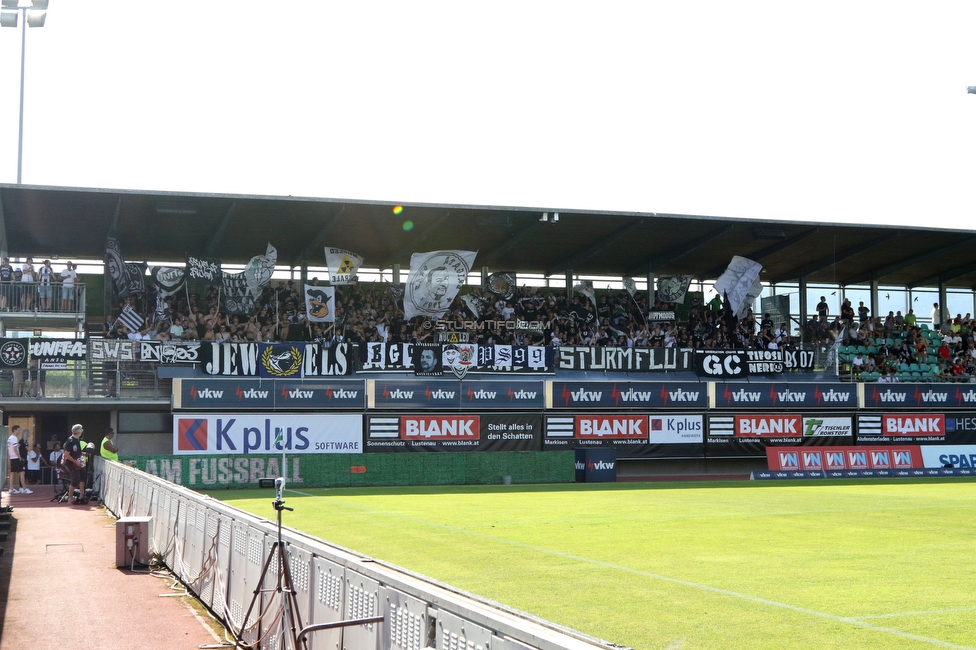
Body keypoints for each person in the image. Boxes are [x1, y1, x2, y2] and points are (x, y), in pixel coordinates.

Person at [62, 424, 87, 504]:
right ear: (78, 432)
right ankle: (70, 498)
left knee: (83, 477)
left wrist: (83, 454)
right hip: (72, 464)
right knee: (75, 481)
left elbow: (76, 452)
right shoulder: (70, 441)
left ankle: (81, 495)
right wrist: (76, 462)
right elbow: (66, 454)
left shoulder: (77, 440)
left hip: (78, 462)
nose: (82, 432)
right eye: (81, 430)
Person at [6, 424, 31, 494]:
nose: (19, 431)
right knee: (22, 472)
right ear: (15, 430)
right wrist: (19, 457)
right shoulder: (14, 438)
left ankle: (11, 488)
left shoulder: (10, 438)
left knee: (12, 472)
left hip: (12, 457)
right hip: (16, 457)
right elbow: (15, 448)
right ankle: (24, 488)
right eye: (18, 430)